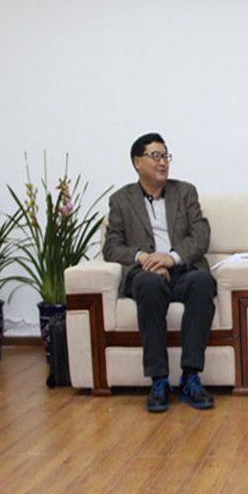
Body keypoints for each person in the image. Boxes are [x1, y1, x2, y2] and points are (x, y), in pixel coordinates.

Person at [102, 133, 217, 413]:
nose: (163, 162)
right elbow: (111, 246)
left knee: (203, 281)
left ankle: (190, 376)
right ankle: (159, 381)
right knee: (150, 285)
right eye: (156, 156)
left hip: (182, 270)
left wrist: (171, 258)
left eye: (166, 156)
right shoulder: (121, 200)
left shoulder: (185, 192)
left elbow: (201, 235)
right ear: (137, 162)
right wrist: (143, 258)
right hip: (146, 274)